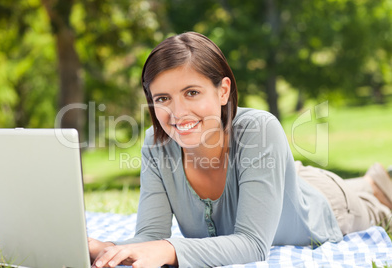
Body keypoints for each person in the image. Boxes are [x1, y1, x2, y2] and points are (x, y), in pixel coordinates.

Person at [88, 32, 392, 268]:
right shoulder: (156, 145)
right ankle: (371, 181)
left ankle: (376, 185)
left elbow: (253, 244)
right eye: (163, 98)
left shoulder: (259, 129)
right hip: (277, 181)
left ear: (223, 91)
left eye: (192, 92)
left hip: (327, 203)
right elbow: (150, 238)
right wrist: (106, 250)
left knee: (381, 205)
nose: (177, 112)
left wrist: (171, 249)